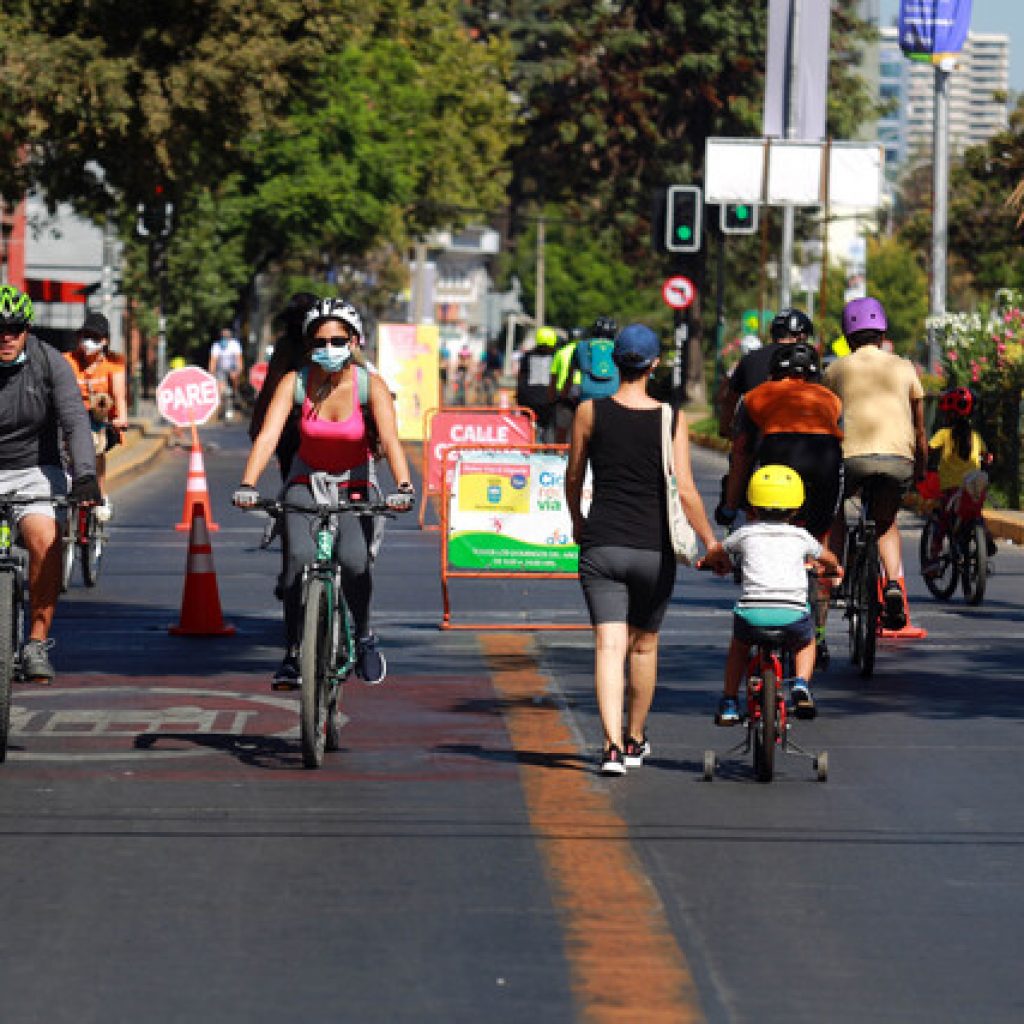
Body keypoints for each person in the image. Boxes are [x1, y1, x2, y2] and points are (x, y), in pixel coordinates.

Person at [565, 323, 728, 775]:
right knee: (643, 647)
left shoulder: (588, 411)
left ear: (613, 361)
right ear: (655, 364)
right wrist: (712, 543)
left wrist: (579, 521)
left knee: (607, 646)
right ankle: (635, 739)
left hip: (602, 544)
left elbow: (574, 476)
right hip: (652, 549)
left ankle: (611, 747)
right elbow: (688, 490)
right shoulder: (670, 418)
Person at [232, 297, 414, 689]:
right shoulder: (295, 381)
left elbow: (391, 440)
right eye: (319, 342)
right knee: (297, 558)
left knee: (354, 562)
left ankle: (363, 635)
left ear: (353, 341)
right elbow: (268, 436)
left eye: (337, 340)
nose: (328, 349)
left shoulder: (370, 385)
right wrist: (247, 484)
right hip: (306, 479)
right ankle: (294, 655)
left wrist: (404, 486)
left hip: (355, 482)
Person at [718, 341, 843, 667]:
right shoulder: (830, 398)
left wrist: (731, 505)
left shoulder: (757, 396)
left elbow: (742, 452)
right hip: (826, 462)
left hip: (780, 458)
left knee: (767, 527)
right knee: (819, 541)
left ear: (773, 372)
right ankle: (818, 632)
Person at [0, 285, 101, 683]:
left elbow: (75, 420)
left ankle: (37, 642)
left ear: (27, 329)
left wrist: (86, 473)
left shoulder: (49, 362)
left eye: (15, 328)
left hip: (35, 468)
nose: (5, 336)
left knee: (45, 540)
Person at [823, 296, 927, 632]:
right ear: (882, 335)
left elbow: (825, 421)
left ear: (849, 338)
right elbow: (920, 429)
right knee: (885, 522)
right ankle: (893, 583)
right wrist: (922, 467)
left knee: (835, 507)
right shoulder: (905, 367)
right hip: (899, 459)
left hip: (852, 458)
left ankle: (836, 574)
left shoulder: (836, 369)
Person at [713, 465, 841, 725]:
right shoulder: (801, 536)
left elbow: (718, 552)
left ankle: (728, 700)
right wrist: (834, 568)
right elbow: (828, 558)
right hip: (792, 615)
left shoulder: (744, 533)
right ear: (796, 508)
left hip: (752, 616)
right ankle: (801, 685)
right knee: (806, 642)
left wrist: (711, 561)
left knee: (739, 647)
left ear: (752, 506)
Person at [63, 311, 128, 520]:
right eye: (85, 336)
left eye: (95, 338)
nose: (88, 342)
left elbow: (119, 395)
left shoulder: (114, 364)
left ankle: (101, 493)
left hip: (101, 421)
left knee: (96, 445)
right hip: (72, 418)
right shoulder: (68, 361)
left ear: (105, 341)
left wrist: (122, 418)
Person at [923, 386, 996, 570]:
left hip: (951, 489)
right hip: (973, 487)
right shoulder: (975, 436)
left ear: (948, 415)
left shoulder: (944, 434)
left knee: (942, 520)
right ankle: (986, 539)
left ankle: (934, 556)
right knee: (975, 513)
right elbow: (988, 457)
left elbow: (927, 450)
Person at [249, 292, 318, 482]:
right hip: (292, 423)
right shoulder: (287, 347)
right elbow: (271, 384)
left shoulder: (328, 345)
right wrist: (259, 418)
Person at [718, 307, 813, 437]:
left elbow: (730, 400)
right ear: (801, 336)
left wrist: (725, 428)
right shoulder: (808, 362)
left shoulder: (749, 360)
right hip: (797, 437)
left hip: (754, 437)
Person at [516, 326, 558, 442]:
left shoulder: (527, 356)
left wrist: (519, 397)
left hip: (528, 399)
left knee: (530, 427)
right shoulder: (555, 356)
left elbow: (521, 377)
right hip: (548, 399)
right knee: (549, 427)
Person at [569, 315, 619, 405]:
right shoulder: (619, 347)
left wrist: (564, 395)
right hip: (614, 393)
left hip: (588, 393)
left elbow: (570, 374)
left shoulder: (582, 346)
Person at [548, 327, 583, 443]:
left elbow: (554, 377)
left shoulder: (560, 352)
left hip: (564, 391)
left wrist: (551, 397)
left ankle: (560, 453)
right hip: (583, 390)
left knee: (562, 427)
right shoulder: (586, 352)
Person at [209, 326, 243, 420]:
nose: (225, 338)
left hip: (232, 368)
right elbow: (213, 361)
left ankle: (235, 393)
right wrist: (211, 374)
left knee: (234, 377)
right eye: (223, 336)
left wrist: (238, 371)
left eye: (226, 336)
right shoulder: (216, 346)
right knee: (220, 387)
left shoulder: (235, 345)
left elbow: (239, 360)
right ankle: (219, 406)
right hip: (221, 369)